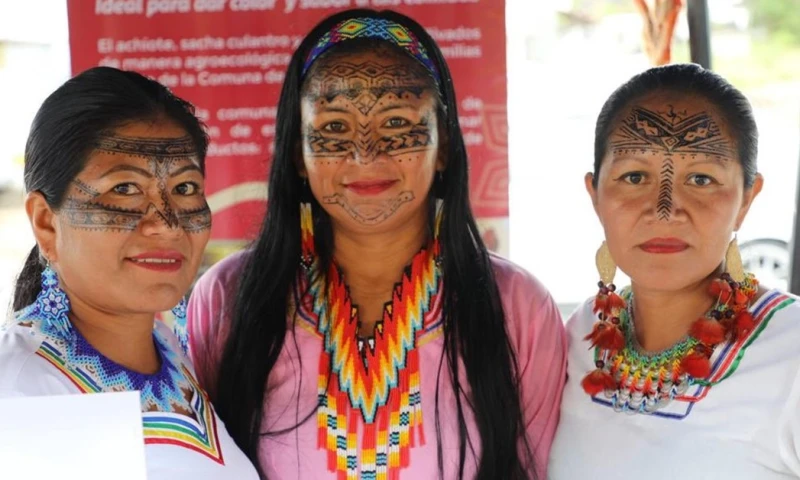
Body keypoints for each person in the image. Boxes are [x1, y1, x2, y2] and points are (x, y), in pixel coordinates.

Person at [187, 8, 566, 480]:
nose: (365, 154)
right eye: (334, 128)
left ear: (445, 146)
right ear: (298, 155)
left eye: (396, 123)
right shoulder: (228, 297)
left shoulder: (516, 305)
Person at [0, 66, 259, 480]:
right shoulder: (20, 391)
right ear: (47, 223)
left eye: (185, 188)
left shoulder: (169, 347)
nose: (168, 224)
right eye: (124, 189)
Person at [548, 63, 800, 478]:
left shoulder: (792, 352)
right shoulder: (580, 334)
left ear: (746, 199)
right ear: (596, 195)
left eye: (701, 179)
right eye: (634, 177)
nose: (664, 211)